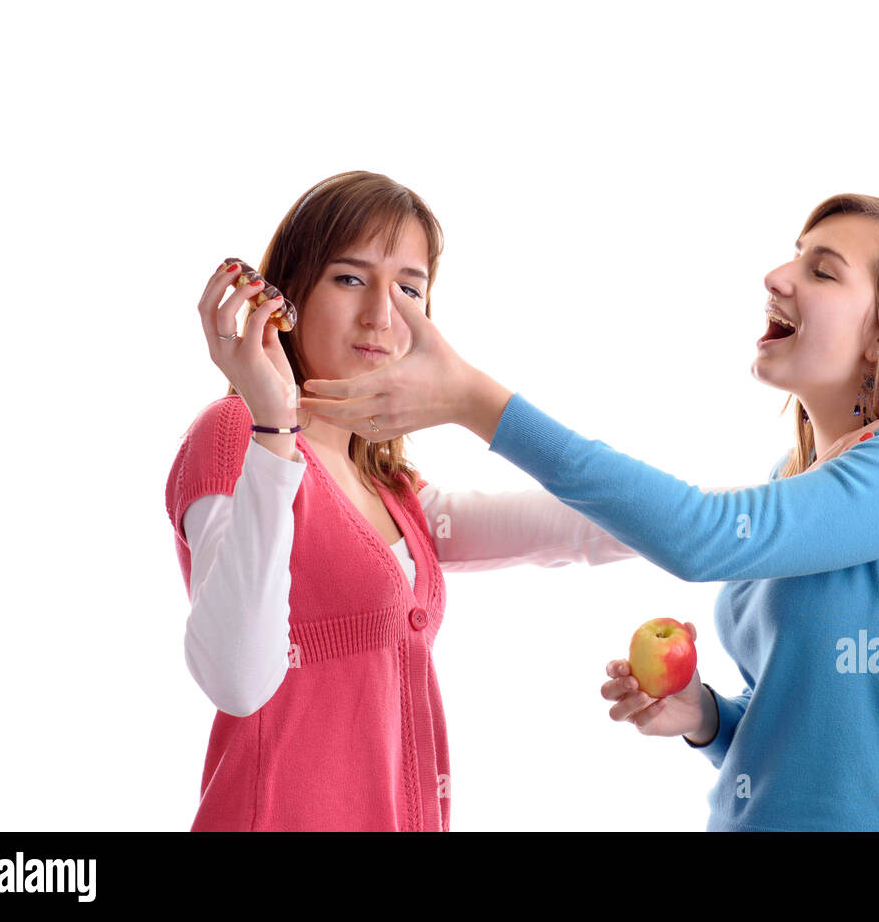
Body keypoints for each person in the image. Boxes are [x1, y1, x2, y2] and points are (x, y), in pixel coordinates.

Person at [295, 192, 879, 831]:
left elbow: (703, 537)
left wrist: (478, 405)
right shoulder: (791, 481)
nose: (777, 276)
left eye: (823, 270)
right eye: (795, 256)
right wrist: (707, 717)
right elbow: (799, 741)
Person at [163, 171, 635, 832]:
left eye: (409, 288)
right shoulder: (239, 434)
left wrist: (772, 507)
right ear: (289, 295)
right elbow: (238, 678)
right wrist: (275, 424)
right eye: (350, 278)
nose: (382, 315)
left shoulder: (396, 493)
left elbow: (581, 526)